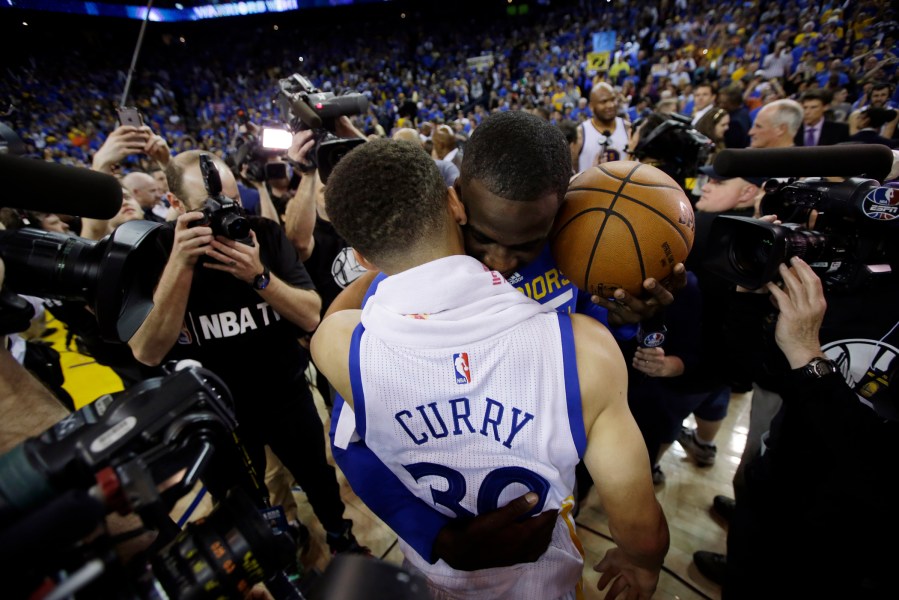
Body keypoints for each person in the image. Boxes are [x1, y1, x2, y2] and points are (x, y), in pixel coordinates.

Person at [320, 110, 683, 572]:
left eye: (525, 245)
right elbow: (349, 436)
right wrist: (434, 534)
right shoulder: (403, 281)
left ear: (558, 215)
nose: (499, 260)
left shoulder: (584, 255)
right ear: (453, 202)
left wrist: (635, 320)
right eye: (481, 237)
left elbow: (599, 365)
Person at [127, 150, 365, 555]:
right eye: (211, 208)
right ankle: (276, 552)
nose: (225, 215)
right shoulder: (154, 252)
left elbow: (311, 315)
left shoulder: (264, 236)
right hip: (219, 413)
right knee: (243, 498)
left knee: (318, 476)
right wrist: (182, 264)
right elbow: (148, 352)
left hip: (285, 393)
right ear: (176, 205)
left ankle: (340, 535)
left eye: (232, 202)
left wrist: (259, 277)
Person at [696, 256, 899, 597]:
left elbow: (879, 475)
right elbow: (762, 372)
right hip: (775, 486)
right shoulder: (860, 276)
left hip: (844, 545)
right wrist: (751, 297)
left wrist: (807, 355)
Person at [576, 82, 631, 170]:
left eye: (613, 99)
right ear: (591, 106)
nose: (611, 105)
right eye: (604, 101)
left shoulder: (628, 129)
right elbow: (572, 174)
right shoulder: (580, 133)